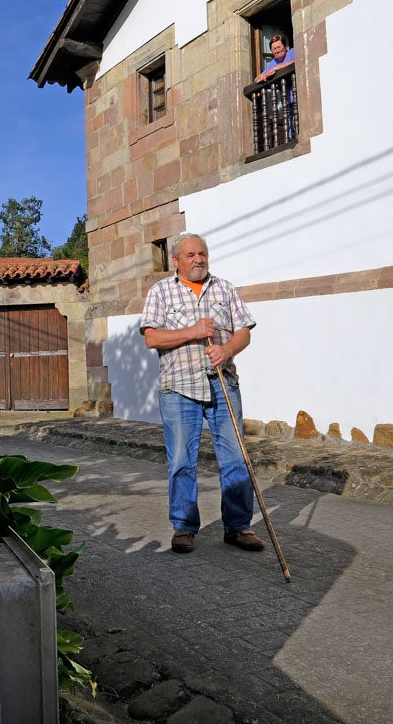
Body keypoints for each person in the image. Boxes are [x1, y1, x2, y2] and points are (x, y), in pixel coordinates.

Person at [140, 233, 265, 554]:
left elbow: (243, 332)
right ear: (176, 261)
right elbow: (152, 338)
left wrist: (225, 350)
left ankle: (238, 527)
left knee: (235, 457)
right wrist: (193, 332)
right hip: (179, 388)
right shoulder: (160, 292)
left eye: (202, 253)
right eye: (191, 254)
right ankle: (183, 527)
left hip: (222, 383)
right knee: (182, 459)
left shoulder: (225, 288)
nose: (198, 259)